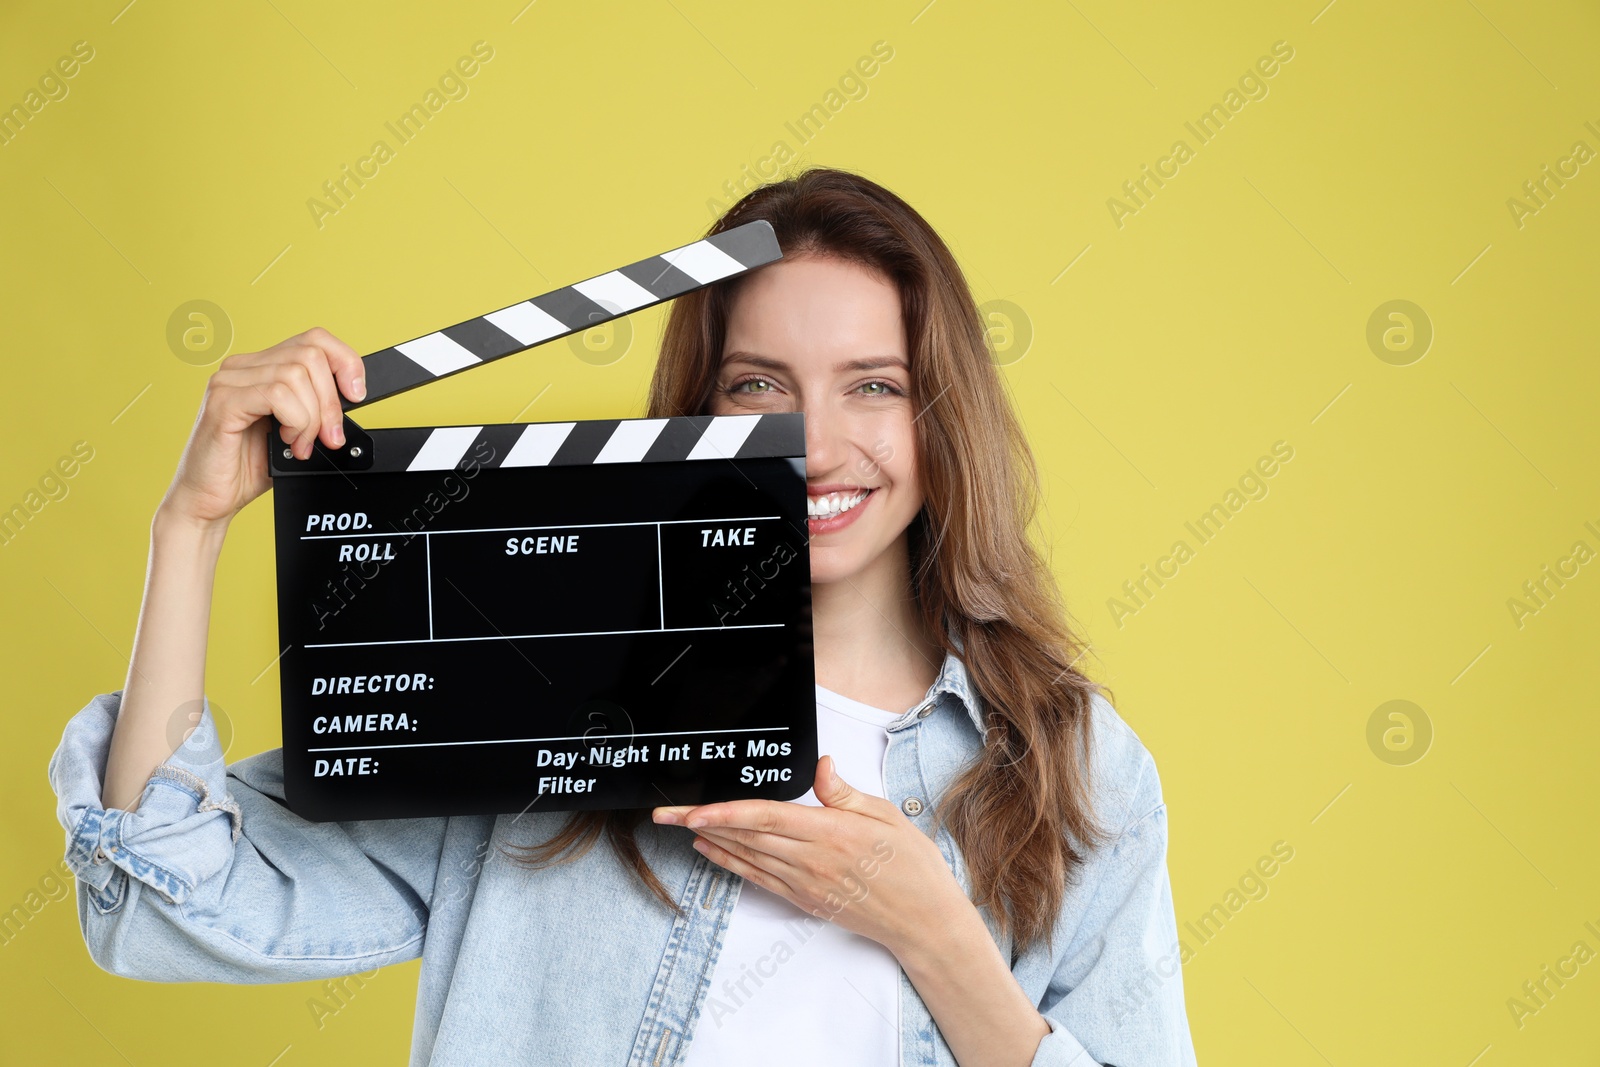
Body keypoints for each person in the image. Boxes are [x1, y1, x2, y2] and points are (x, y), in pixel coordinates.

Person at [48, 167, 1197, 1066]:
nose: (815, 441)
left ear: (941, 416)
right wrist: (189, 526)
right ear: (695, 416)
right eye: (758, 385)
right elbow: (162, 903)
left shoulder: (1075, 767)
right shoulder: (541, 691)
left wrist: (929, 929)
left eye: (875, 384)